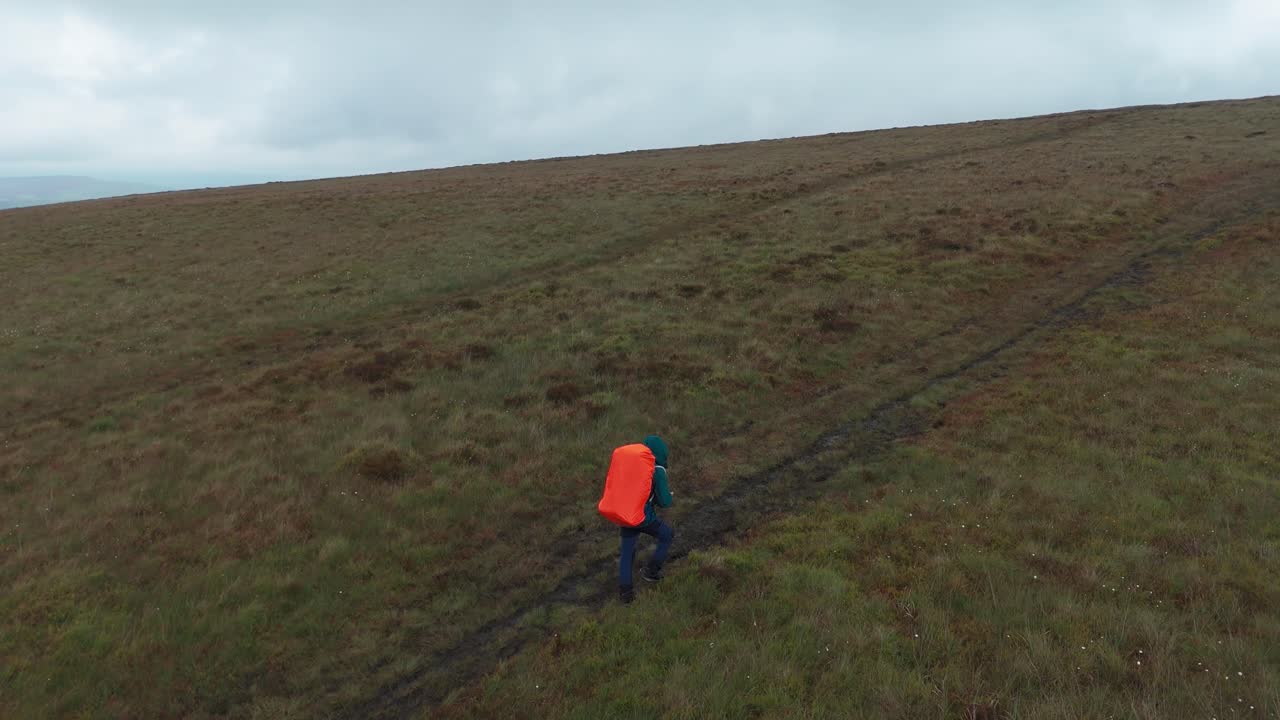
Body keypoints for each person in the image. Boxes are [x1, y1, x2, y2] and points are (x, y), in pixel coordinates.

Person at [618, 435, 674, 604]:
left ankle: (626, 594)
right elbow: (665, 502)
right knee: (667, 534)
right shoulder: (657, 470)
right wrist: (667, 496)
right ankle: (652, 571)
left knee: (627, 552)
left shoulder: (632, 464)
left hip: (625, 515)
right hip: (643, 518)